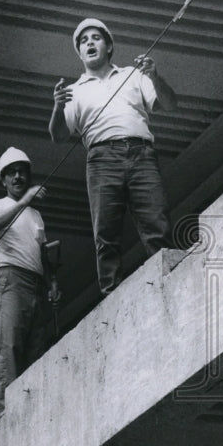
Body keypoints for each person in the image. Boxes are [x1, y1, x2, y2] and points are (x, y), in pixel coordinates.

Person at [49, 18, 177, 295]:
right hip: (102, 159)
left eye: (95, 38)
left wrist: (155, 76)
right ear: (80, 53)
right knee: (105, 232)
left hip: (141, 153)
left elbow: (170, 104)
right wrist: (58, 108)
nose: (90, 43)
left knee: (157, 220)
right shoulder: (75, 90)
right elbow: (58, 136)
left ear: (108, 46)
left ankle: (171, 278)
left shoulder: (133, 74)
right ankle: (111, 293)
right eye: (83, 41)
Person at [0, 147, 53, 414]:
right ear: (3, 179)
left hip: (36, 284)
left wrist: (53, 283)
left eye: (22, 172)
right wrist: (23, 202)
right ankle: (5, 413)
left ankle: (33, 411)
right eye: (11, 173)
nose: (18, 177)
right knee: (9, 346)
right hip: (10, 280)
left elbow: (42, 253)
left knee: (36, 350)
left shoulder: (36, 216)